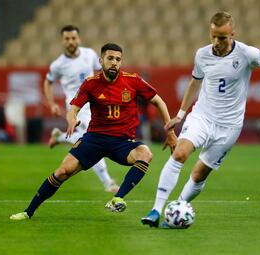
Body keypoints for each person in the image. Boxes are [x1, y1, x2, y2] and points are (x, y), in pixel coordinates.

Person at [141, 11, 260, 227]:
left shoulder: (247, 53)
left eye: (222, 37)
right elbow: (195, 83)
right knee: (180, 153)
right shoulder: (202, 54)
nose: (216, 42)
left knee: (199, 173)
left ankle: (178, 207)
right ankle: (156, 210)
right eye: (213, 36)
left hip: (229, 126)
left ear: (232, 35)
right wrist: (181, 115)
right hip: (202, 116)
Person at [10, 43, 178, 220]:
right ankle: (28, 212)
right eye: (110, 58)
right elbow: (73, 108)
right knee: (62, 172)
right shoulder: (91, 84)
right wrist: (72, 119)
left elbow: (159, 102)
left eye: (118, 59)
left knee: (145, 154)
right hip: (94, 139)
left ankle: (118, 198)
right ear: (101, 61)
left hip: (122, 142)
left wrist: (170, 132)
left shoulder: (133, 80)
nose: (114, 62)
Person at [44, 25, 119, 192]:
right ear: (62, 41)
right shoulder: (58, 65)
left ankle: (60, 137)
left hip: (95, 102)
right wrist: (52, 104)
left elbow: (102, 74)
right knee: (92, 139)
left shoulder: (90, 54)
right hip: (76, 107)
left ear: (79, 39)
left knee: (89, 138)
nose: (71, 41)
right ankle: (108, 183)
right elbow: (47, 82)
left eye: (73, 38)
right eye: (67, 39)